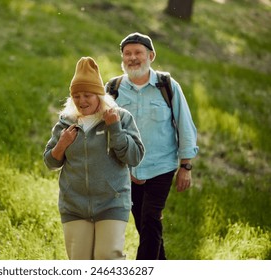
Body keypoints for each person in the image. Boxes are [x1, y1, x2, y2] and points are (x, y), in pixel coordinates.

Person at [106, 32, 199, 260]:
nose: (133, 58)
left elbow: (185, 124)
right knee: (146, 225)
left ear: (151, 56)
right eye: (128, 53)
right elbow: (102, 131)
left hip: (161, 166)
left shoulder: (166, 85)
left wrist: (185, 166)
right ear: (122, 58)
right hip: (126, 169)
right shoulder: (113, 89)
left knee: (149, 218)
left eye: (138, 52)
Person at [43, 57, 145, 260]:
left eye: (87, 95)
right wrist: (62, 144)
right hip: (74, 206)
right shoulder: (66, 123)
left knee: (107, 257)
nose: (81, 101)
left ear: (99, 94)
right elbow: (50, 161)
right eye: (77, 96)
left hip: (112, 203)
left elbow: (134, 156)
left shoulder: (120, 117)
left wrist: (115, 128)